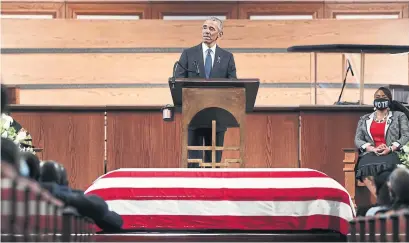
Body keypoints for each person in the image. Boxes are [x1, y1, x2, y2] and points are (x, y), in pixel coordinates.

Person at [175, 17, 237, 167]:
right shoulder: (188, 54)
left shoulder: (227, 57)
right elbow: (178, 81)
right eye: (204, 27)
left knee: (213, 163)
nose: (206, 32)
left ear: (220, 34)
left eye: (211, 29)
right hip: (194, 115)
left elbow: (233, 86)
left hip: (218, 116)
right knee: (193, 163)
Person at [354, 87, 409, 197]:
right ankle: (380, 198)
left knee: (391, 166)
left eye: (383, 97)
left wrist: (390, 148)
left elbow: (405, 135)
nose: (380, 99)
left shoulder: (399, 116)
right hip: (371, 153)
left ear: (389, 100)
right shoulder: (364, 119)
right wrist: (372, 148)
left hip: (392, 152)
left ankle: (390, 198)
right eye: (377, 97)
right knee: (364, 167)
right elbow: (358, 139)